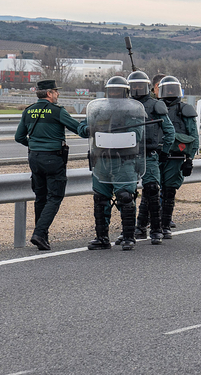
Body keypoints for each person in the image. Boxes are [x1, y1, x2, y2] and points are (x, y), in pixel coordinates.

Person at [13, 79, 88, 250]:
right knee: (54, 197)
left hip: (34, 158)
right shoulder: (57, 111)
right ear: (49, 93)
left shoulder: (28, 111)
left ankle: (42, 239)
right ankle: (39, 233)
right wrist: (88, 123)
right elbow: (80, 131)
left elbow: (18, 137)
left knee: (40, 197)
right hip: (53, 159)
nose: (57, 94)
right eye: (55, 91)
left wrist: (35, 146)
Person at [87, 77, 143, 250]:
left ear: (125, 91)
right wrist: (89, 129)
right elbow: (84, 127)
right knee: (100, 198)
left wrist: (111, 136)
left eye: (118, 90)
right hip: (101, 160)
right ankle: (102, 238)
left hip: (124, 160)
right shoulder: (98, 110)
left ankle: (128, 237)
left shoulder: (133, 111)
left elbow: (136, 135)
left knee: (125, 197)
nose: (114, 94)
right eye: (112, 90)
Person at [127, 71, 175, 245]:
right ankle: (129, 232)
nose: (137, 89)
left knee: (152, 190)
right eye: (134, 86)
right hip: (127, 156)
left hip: (149, 155)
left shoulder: (155, 105)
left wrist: (164, 152)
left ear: (147, 86)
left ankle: (156, 230)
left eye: (140, 85)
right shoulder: (124, 105)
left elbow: (169, 131)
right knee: (126, 193)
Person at [157, 76, 198, 240]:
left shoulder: (185, 110)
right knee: (151, 190)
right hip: (156, 155)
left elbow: (193, 135)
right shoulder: (154, 107)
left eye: (173, 89)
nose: (170, 92)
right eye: (167, 89)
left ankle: (165, 225)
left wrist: (190, 159)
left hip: (175, 157)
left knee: (169, 191)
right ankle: (148, 225)